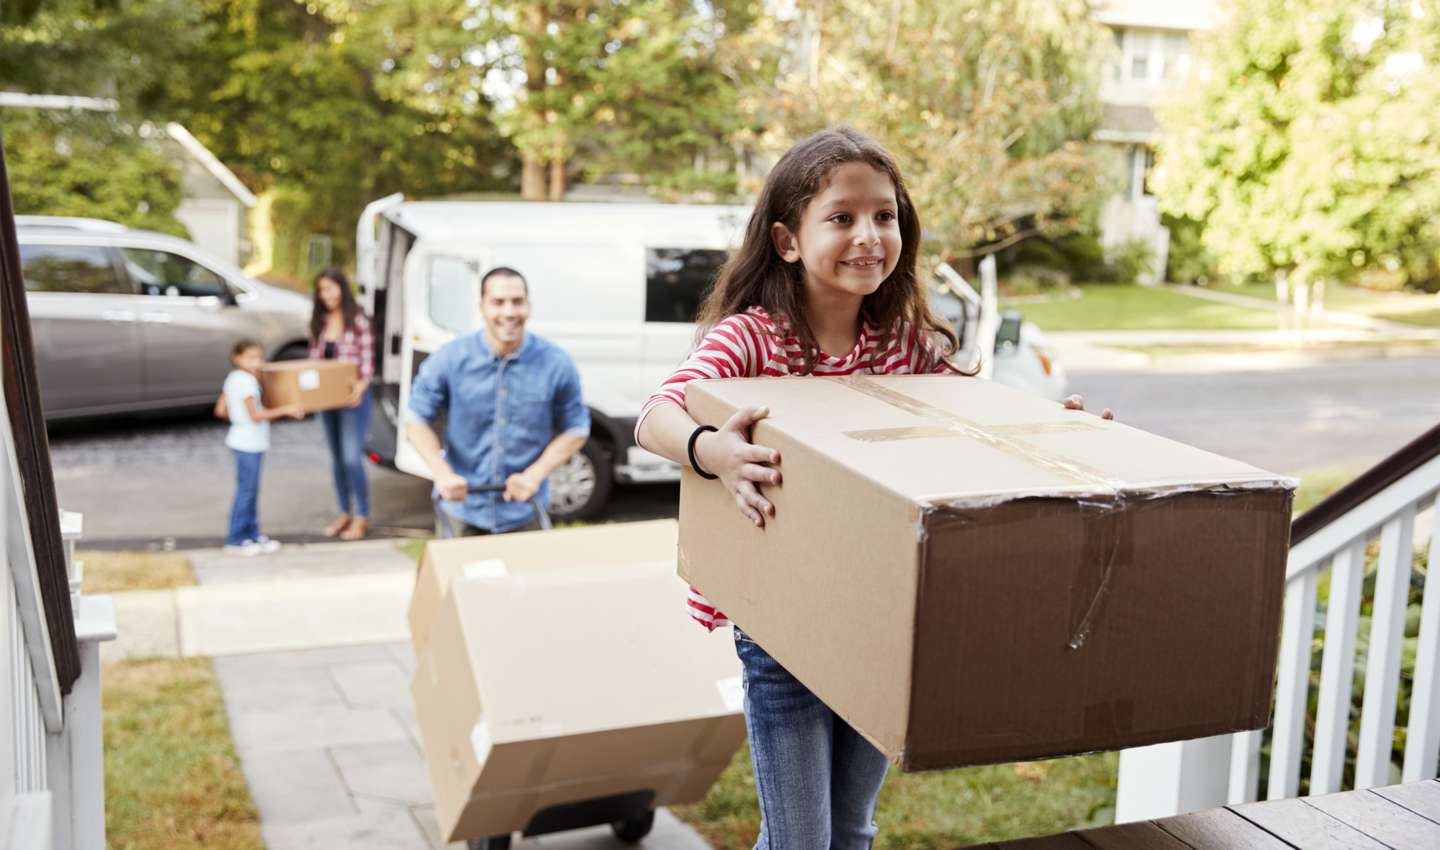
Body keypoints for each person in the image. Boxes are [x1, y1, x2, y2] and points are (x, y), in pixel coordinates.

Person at [635, 126, 1112, 849]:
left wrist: (1051, 433)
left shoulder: (906, 344)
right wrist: (714, 451)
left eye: (884, 216)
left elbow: (976, 424)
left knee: (851, 832)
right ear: (788, 240)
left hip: (877, 616)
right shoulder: (753, 338)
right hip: (783, 622)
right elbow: (654, 415)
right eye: (842, 217)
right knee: (800, 841)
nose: (869, 235)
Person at [404, 266, 590, 537]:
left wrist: (535, 475)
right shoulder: (449, 359)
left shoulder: (556, 363)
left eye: (517, 301)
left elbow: (577, 428)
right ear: (482, 307)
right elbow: (415, 419)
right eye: (498, 302)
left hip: (525, 510)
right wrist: (441, 472)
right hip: (461, 511)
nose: (509, 312)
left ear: (529, 306)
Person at [308, 267, 376, 541]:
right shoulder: (319, 322)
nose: (326, 295)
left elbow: (368, 362)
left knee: (351, 457)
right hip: (327, 401)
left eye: (330, 288)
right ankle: (343, 512)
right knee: (336, 459)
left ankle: (362, 515)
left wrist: (361, 385)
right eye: (321, 290)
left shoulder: (358, 319)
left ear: (342, 288)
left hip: (353, 399)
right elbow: (313, 363)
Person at [218, 339, 302, 555]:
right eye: (251, 357)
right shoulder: (247, 382)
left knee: (250, 490)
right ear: (237, 358)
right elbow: (255, 415)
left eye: (259, 357)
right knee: (247, 492)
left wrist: (237, 418)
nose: (256, 362)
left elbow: (220, 410)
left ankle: (252, 534)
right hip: (249, 443)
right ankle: (236, 539)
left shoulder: (233, 378)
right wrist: (286, 410)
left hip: (240, 438)